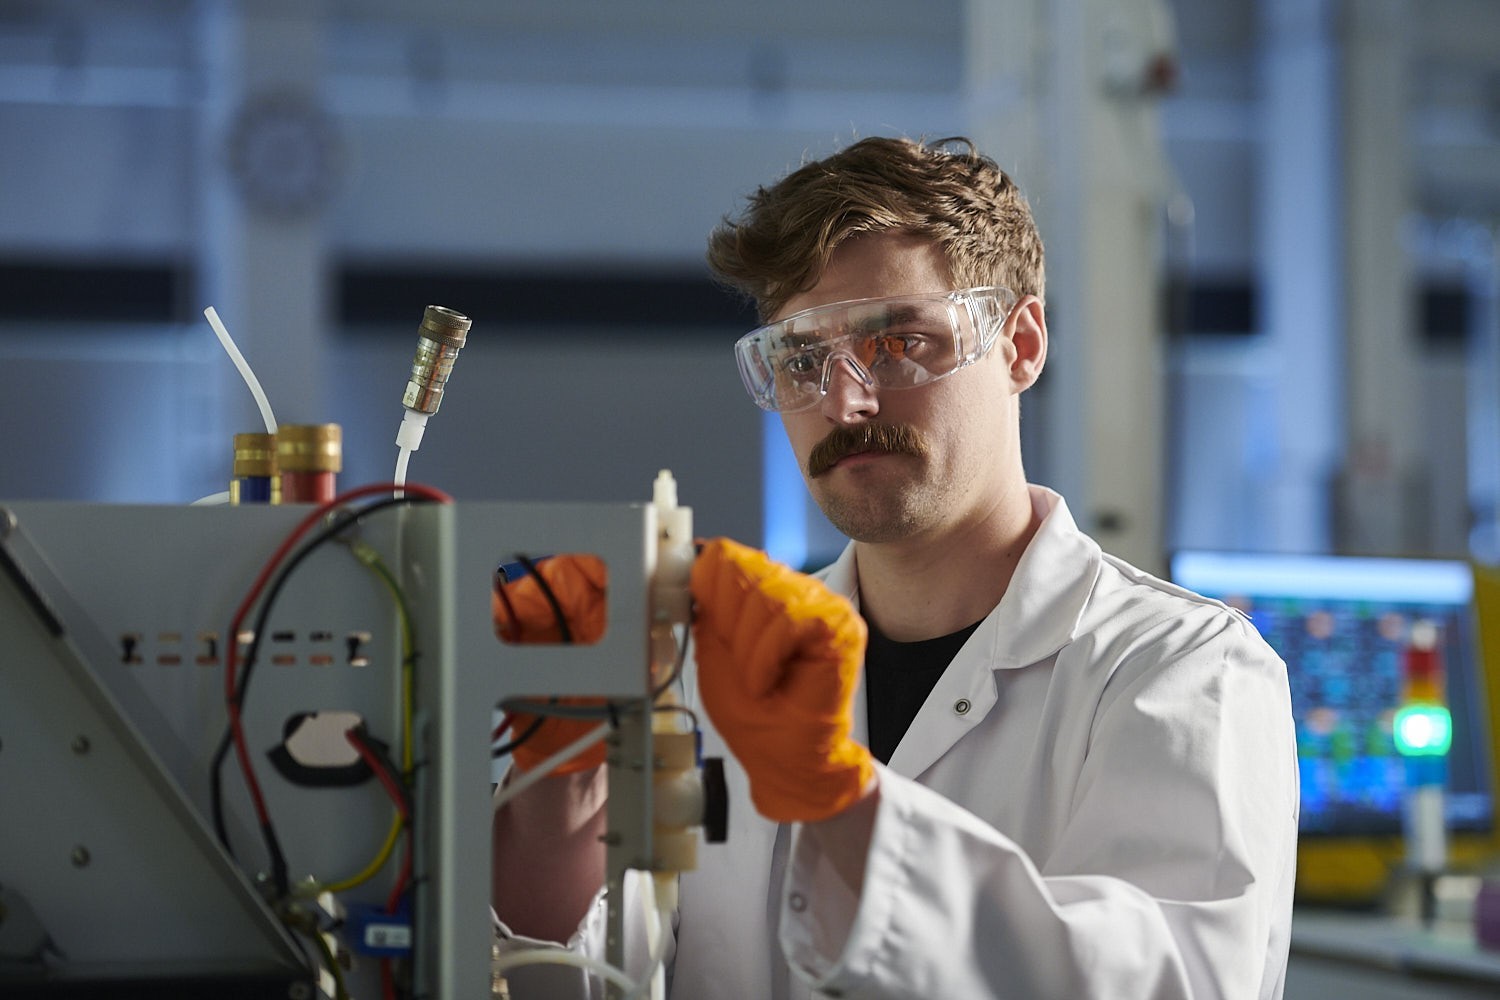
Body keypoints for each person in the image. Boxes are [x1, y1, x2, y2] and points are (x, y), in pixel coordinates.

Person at [491, 135, 1299, 999]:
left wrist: (842, 806)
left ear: (1021, 344)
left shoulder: (1181, 671)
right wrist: (554, 802)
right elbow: (588, 975)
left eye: (900, 342)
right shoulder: (706, 671)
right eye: (801, 359)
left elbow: (1168, 982)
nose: (845, 401)